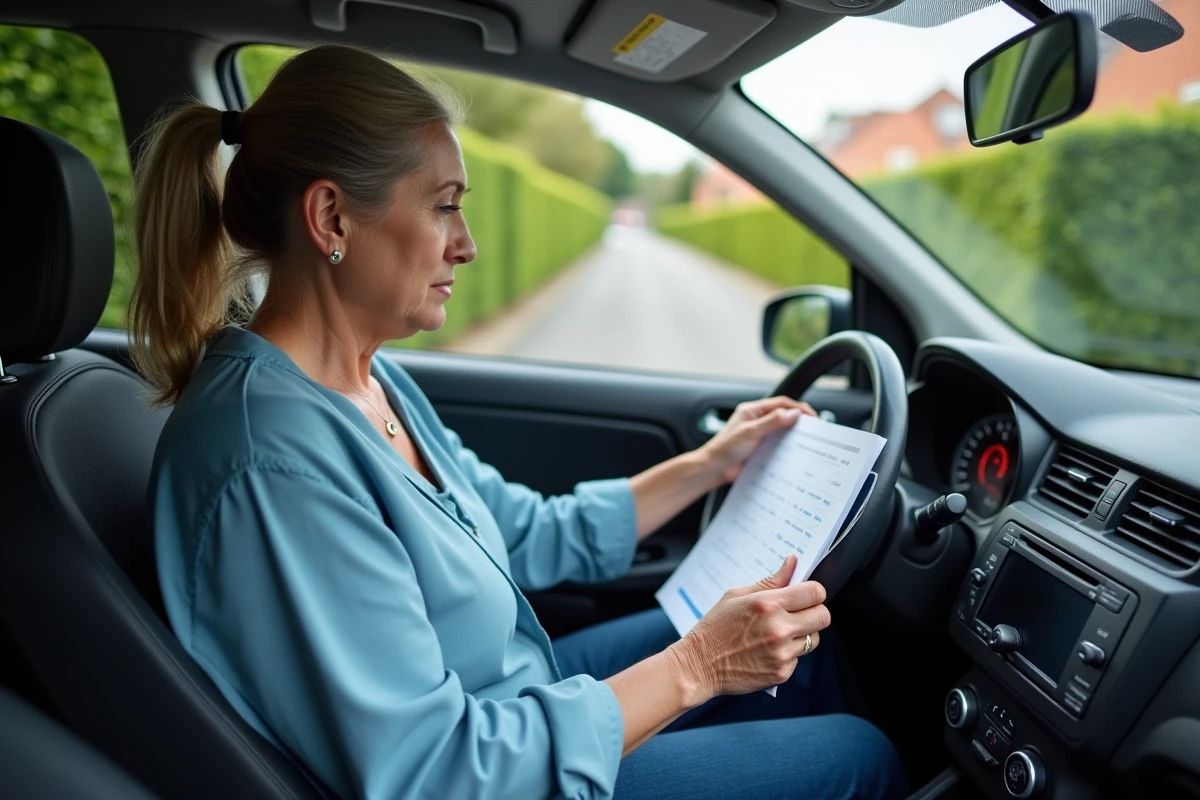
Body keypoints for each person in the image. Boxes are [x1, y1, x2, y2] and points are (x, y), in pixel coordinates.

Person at [131, 44, 906, 800]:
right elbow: (434, 773)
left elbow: (527, 531)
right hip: (483, 760)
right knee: (858, 756)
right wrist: (698, 665)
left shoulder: (371, 380)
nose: (467, 245)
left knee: (800, 649)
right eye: (444, 208)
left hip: (508, 703)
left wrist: (710, 462)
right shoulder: (271, 461)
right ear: (332, 217)